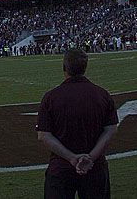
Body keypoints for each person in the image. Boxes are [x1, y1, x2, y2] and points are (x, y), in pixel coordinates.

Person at [36, 47, 118, 199]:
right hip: (95, 167)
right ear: (85, 68)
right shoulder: (102, 94)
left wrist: (72, 158)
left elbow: (43, 135)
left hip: (61, 168)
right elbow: (111, 130)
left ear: (64, 68)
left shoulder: (51, 97)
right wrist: (91, 157)